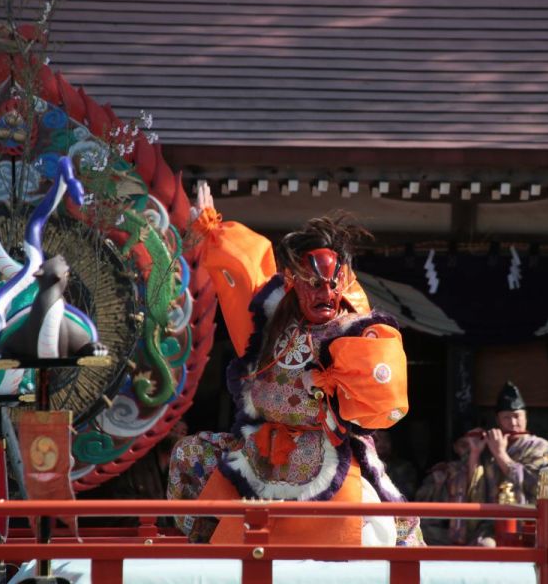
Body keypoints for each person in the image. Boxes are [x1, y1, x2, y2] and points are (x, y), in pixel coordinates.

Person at [168, 185, 422, 547]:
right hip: (261, 447)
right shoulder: (271, 322)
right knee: (189, 452)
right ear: (295, 283)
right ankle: (200, 544)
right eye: (314, 285)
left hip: (326, 450)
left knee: (388, 526)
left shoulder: (353, 332)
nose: (326, 294)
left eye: (332, 285)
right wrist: (213, 231)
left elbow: (380, 395)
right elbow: (245, 271)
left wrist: (337, 381)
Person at [416, 382, 548, 545]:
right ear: (498, 420)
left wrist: (500, 454)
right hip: (490, 522)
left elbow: (536, 485)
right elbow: (471, 488)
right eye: (506, 417)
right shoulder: (489, 445)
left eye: (517, 416)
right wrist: (475, 453)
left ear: (526, 417)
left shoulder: (539, 446)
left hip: (526, 521)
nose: (513, 423)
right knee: (483, 545)